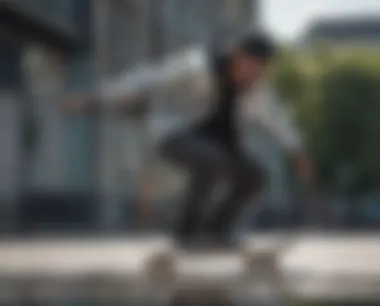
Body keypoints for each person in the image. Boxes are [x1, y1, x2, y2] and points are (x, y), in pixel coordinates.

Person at [63, 30, 312, 249]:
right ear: (236, 55)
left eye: (260, 71)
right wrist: (96, 98)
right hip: (174, 135)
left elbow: (275, 116)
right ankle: (185, 232)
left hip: (221, 145)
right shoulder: (196, 66)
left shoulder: (256, 87)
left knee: (256, 174)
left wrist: (297, 150)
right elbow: (147, 78)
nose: (251, 76)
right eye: (249, 67)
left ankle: (217, 229)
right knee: (210, 161)